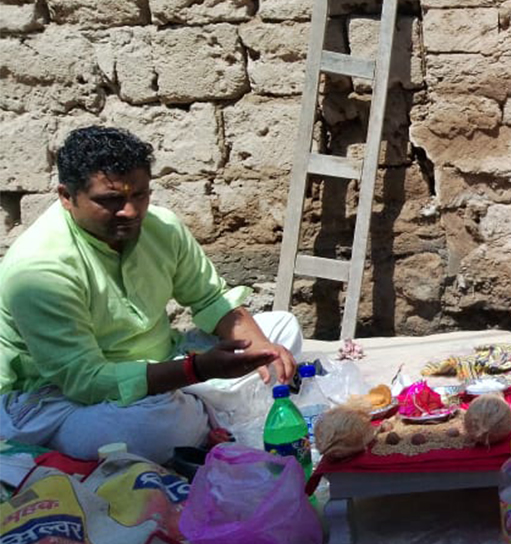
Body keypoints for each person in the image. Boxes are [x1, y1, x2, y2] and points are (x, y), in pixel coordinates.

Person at [0, 126, 303, 464]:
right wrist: (196, 371)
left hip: (164, 364)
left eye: (140, 195)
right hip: (61, 398)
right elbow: (85, 381)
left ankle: (200, 412)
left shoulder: (162, 227)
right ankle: (207, 411)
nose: (130, 211)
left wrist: (260, 349)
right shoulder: (38, 270)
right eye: (110, 200)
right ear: (67, 197)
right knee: (148, 427)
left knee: (282, 328)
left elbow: (211, 300)